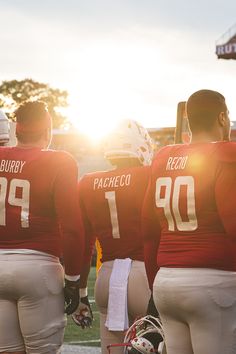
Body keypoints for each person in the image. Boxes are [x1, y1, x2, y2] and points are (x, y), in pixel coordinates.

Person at [142, 89, 236, 354]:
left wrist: (153, 284)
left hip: (166, 281)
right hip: (212, 282)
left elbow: (148, 228)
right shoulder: (227, 154)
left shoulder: (163, 157)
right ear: (221, 117)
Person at [0, 100, 85, 354]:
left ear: (17, 130)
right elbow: (72, 227)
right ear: (47, 131)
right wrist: (73, 281)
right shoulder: (59, 161)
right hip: (38, 269)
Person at [73, 119, 154, 354]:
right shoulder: (148, 176)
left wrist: (80, 292)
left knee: (112, 349)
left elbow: (83, 242)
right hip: (144, 275)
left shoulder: (88, 182)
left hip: (106, 277)